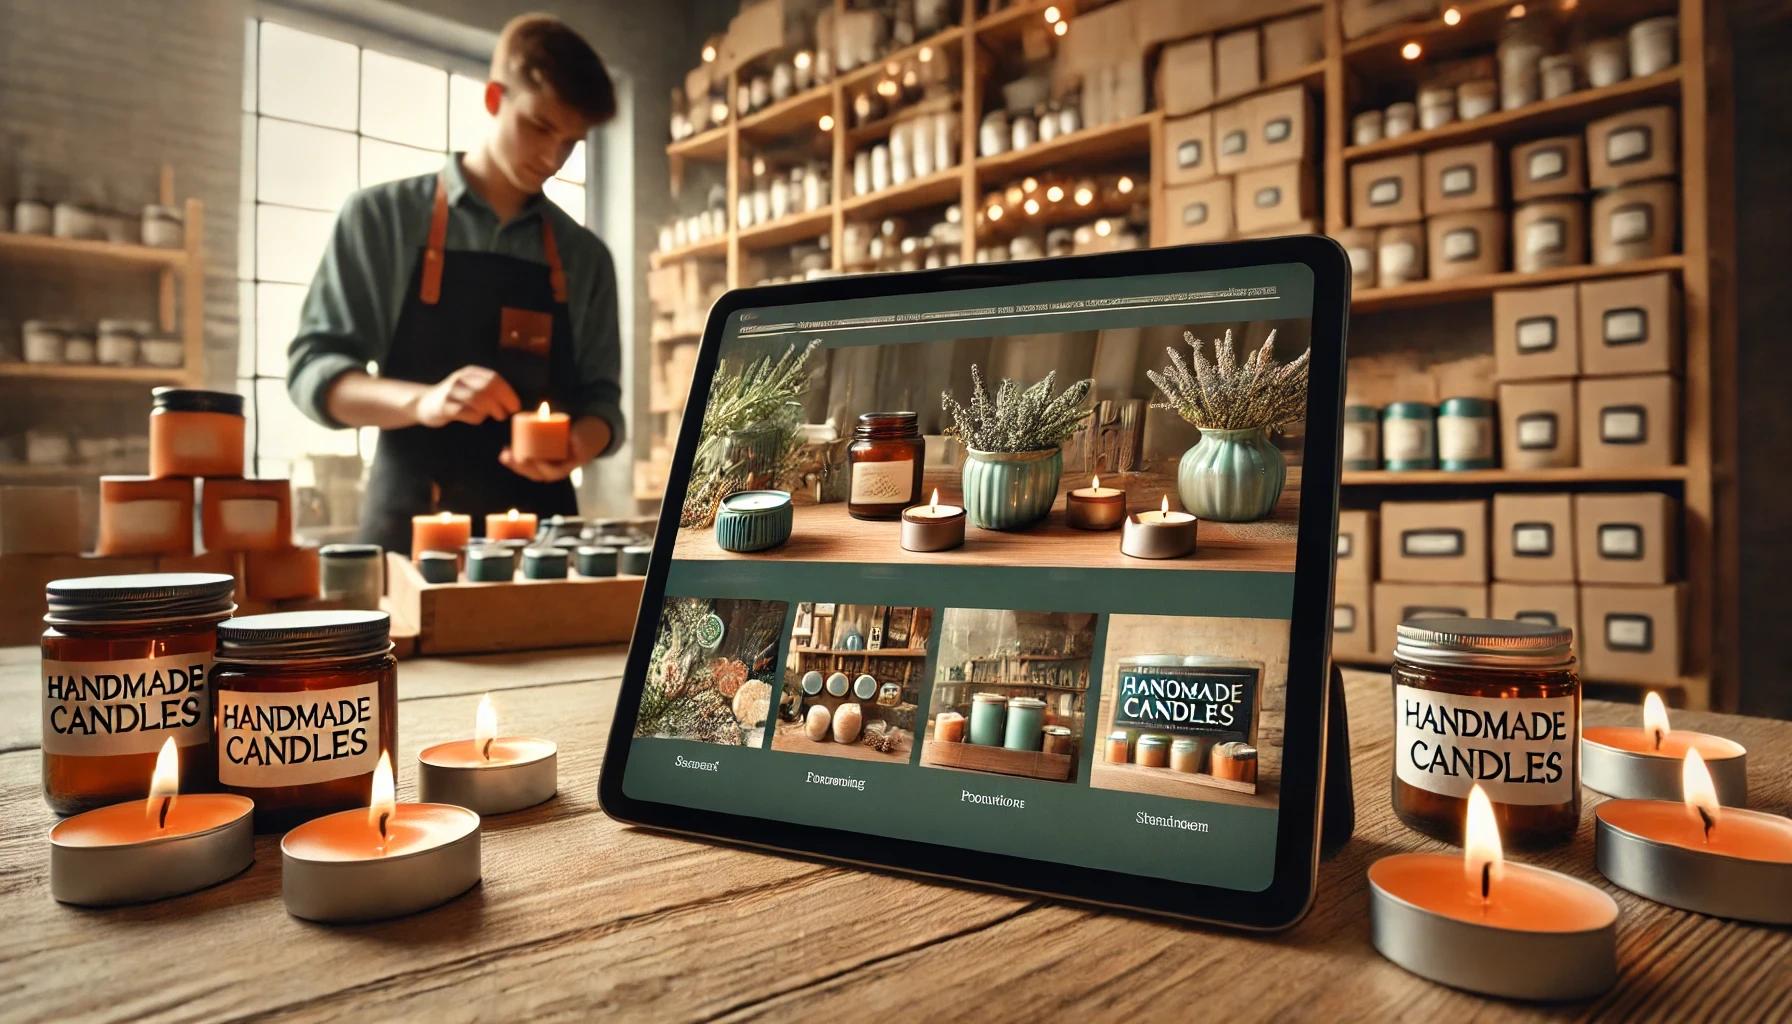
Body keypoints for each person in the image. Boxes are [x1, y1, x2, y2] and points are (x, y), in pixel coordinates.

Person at [287, 14, 626, 556]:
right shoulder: (381, 219)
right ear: (495, 98)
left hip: (543, 549)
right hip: (407, 543)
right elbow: (314, 375)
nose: (552, 158)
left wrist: (578, 443)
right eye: (539, 126)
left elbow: (604, 405)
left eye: (571, 142)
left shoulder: (586, 258)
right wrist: (424, 402)